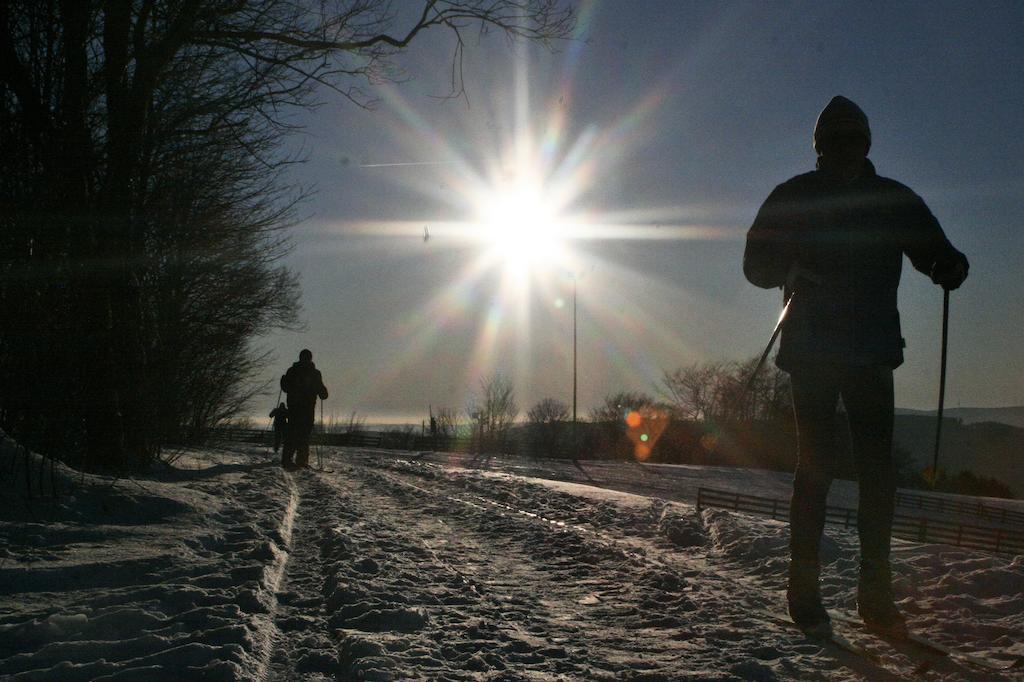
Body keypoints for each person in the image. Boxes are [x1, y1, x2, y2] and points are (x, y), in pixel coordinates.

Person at [743, 95, 968, 636]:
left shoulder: (891, 200)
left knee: (875, 475)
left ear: (865, 144)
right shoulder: (801, 197)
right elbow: (756, 266)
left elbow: (933, 249)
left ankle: (874, 594)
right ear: (823, 146)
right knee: (819, 470)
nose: (846, 148)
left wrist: (948, 264)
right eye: (837, 140)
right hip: (822, 351)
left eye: (853, 139)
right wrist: (790, 267)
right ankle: (806, 588)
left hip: (866, 351)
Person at [280, 349, 329, 468]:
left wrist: (283, 381)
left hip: (294, 407)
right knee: (304, 434)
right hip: (307, 409)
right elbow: (323, 392)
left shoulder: (292, 371)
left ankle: (287, 459)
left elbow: (285, 388)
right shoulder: (315, 373)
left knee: (292, 432)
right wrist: (322, 392)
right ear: (310, 358)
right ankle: (301, 461)